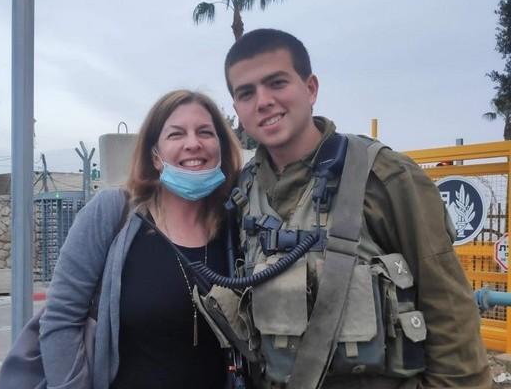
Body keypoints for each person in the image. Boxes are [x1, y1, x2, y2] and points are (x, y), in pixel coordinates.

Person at [208, 28, 491, 388]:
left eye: (277, 83)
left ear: (311, 88)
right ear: (236, 109)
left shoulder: (385, 177)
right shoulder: (242, 192)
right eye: (246, 93)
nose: (263, 101)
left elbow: (450, 312)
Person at [39, 89, 242, 389]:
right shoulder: (113, 212)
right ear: (155, 156)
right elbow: (60, 320)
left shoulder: (236, 225)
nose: (193, 143)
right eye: (176, 134)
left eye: (205, 132)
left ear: (221, 148)